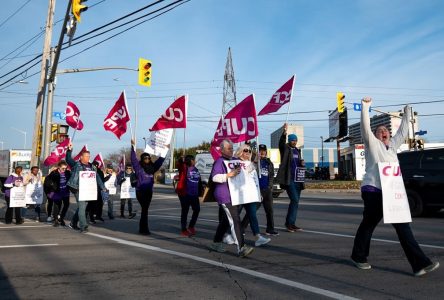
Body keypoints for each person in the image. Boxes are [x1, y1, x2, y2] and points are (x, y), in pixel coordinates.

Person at [351, 97, 439, 276]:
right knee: (368, 225)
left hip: (391, 192)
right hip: (373, 190)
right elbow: (365, 128)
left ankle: (419, 264)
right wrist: (365, 107)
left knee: (402, 227)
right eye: (379, 130)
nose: (383, 131)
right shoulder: (372, 145)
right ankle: (359, 256)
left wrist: (407, 114)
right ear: (375, 136)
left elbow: (403, 132)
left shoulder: (392, 148)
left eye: (385, 130)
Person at [209, 139, 254, 257]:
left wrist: (252, 163)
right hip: (225, 195)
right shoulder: (219, 162)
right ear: (222, 150)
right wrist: (229, 175)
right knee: (235, 220)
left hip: (235, 195)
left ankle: (216, 242)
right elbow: (215, 177)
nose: (231, 150)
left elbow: (248, 170)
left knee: (225, 221)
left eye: (232, 148)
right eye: (229, 148)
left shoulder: (235, 160)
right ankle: (241, 248)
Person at [235, 144, 270, 247]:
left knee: (253, 215)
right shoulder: (235, 162)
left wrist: (258, 193)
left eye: (250, 151)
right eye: (246, 150)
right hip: (240, 195)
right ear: (241, 151)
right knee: (235, 216)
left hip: (250, 195)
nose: (248, 152)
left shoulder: (250, 164)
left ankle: (258, 237)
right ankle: (228, 234)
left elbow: (254, 180)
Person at [66, 143, 107, 233]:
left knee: (82, 207)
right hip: (77, 188)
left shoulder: (92, 167)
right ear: (81, 157)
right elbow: (68, 159)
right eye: (86, 156)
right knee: (82, 207)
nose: (88, 158)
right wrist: (69, 150)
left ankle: (73, 223)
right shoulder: (76, 165)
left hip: (87, 190)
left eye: (89, 156)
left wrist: (102, 187)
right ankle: (83, 226)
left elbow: (97, 177)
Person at [241, 144, 278, 236]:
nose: (262, 152)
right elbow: (248, 170)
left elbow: (271, 175)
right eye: (260, 150)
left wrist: (270, 187)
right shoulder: (254, 161)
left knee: (269, 211)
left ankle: (270, 229)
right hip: (257, 190)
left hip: (267, 190)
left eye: (264, 150)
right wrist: (255, 161)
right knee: (252, 211)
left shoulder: (269, 163)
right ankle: (241, 228)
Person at [131, 139, 165, 235]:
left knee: (145, 210)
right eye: (145, 158)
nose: (147, 160)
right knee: (145, 210)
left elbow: (160, 161)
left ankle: (142, 228)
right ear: (142, 159)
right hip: (140, 191)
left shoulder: (153, 168)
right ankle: (144, 229)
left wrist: (165, 150)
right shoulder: (139, 168)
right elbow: (133, 159)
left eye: (148, 158)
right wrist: (132, 147)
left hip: (149, 192)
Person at [276, 123, 304, 232]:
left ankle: (292, 223)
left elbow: (298, 163)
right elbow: (281, 143)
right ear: (289, 140)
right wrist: (284, 133)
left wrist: (302, 163)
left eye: (296, 140)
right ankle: (288, 223)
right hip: (289, 179)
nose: (294, 142)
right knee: (294, 199)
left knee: (296, 202)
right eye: (293, 140)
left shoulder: (297, 150)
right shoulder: (285, 148)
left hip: (298, 180)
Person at [175, 155, 202, 237]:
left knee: (197, 209)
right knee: (185, 211)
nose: (195, 161)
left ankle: (191, 226)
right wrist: (180, 159)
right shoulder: (184, 168)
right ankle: (184, 229)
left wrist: (201, 191)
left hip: (194, 194)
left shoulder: (196, 169)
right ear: (190, 160)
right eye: (193, 159)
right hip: (185, 194)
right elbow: (179, 164)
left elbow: (199, 180)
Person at [43, 161, 71, 226]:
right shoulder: (53, 173)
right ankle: (56, 220)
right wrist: (48, 192)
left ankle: (61, 218)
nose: (64, 170)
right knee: (57, 206)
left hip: (65, 191)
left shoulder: (67, 173)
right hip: (57, 192)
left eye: (65, 168)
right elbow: (47, 183)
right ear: (59, 167)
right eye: (63, 168)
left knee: (66, 205)